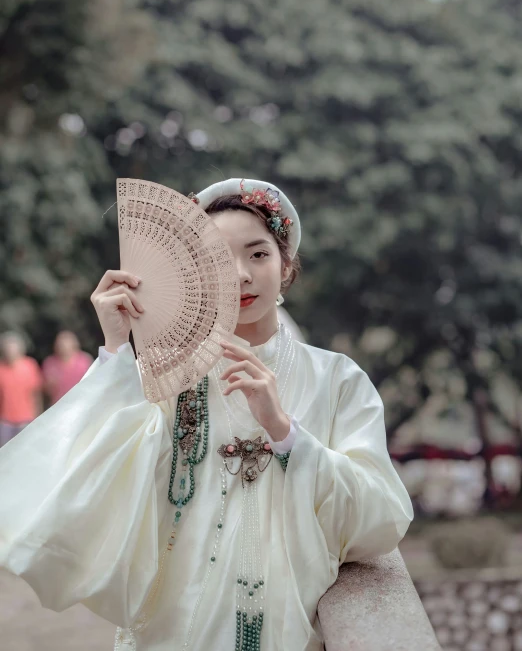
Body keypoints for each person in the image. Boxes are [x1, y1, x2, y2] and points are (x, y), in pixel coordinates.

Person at [0, 178, 414, 651]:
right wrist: (117, 349)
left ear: (287, 265)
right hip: (171, 625)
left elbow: (381, 518)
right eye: (218, 258)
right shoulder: (169, 373)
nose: (239, 274)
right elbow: (90, 480)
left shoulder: (338, 380)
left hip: (284, 629)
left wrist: (284, 431)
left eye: (258, 254)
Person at [0, 331, 43, 447]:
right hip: (5, 421)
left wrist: (38, 417)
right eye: (7, 349)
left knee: (25, 451)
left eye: (13, 348)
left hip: (26, 419)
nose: (10, 352)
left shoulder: (30, 365)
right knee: (5, 452)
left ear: (20, 349)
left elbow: (36, 394)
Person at [42, 330, 93, 405]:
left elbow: (93, 383)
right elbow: (45, 390)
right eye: (60, 344)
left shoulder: (85, 360)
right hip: (59, 405)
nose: (63, 346)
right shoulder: (50, 363)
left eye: (66, 343)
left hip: (82, 404)